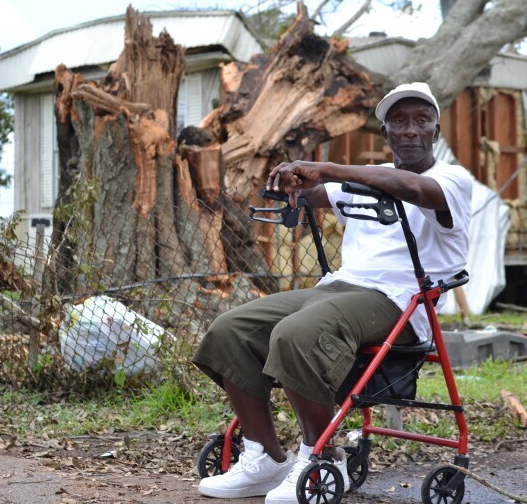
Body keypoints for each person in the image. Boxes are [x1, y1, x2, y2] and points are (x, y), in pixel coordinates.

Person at [192, 82, 472, 504]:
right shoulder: (369, 177)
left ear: (436, 130)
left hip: (402, 302)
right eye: (399, 121)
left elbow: (411, 190)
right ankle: (265, 457)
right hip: (341, 288)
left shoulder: (451, 179)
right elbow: (313, 191)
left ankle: (322, 456)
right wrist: (292, 180)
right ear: (386, 134)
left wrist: (329, 169)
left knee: (296, 333)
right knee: (230, 329)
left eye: (421, 120)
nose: (410, 130)